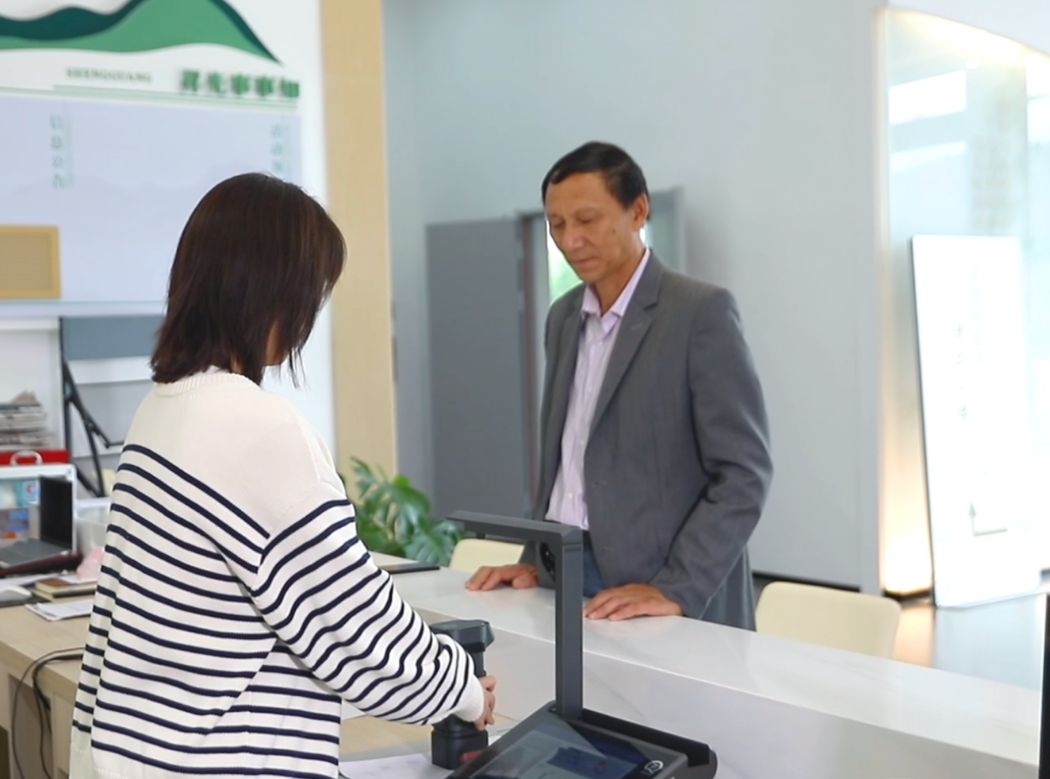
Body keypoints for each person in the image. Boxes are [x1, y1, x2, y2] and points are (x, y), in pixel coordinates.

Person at [71, 173, 496, 779]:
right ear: (274, 293)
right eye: (311, 294)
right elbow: (353, 625)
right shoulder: (259, 428)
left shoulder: (159, 410)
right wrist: (464, 690)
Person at [467, 142, 771, 629]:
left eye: (587, 219)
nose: (570, 240)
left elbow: (743, 473)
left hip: (658, 586)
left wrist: (678, 586)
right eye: (556, 224)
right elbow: (565, 466)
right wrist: (534, 559)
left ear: (638, 211)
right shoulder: (563, 317)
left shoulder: (698, 313)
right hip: (563, 570)